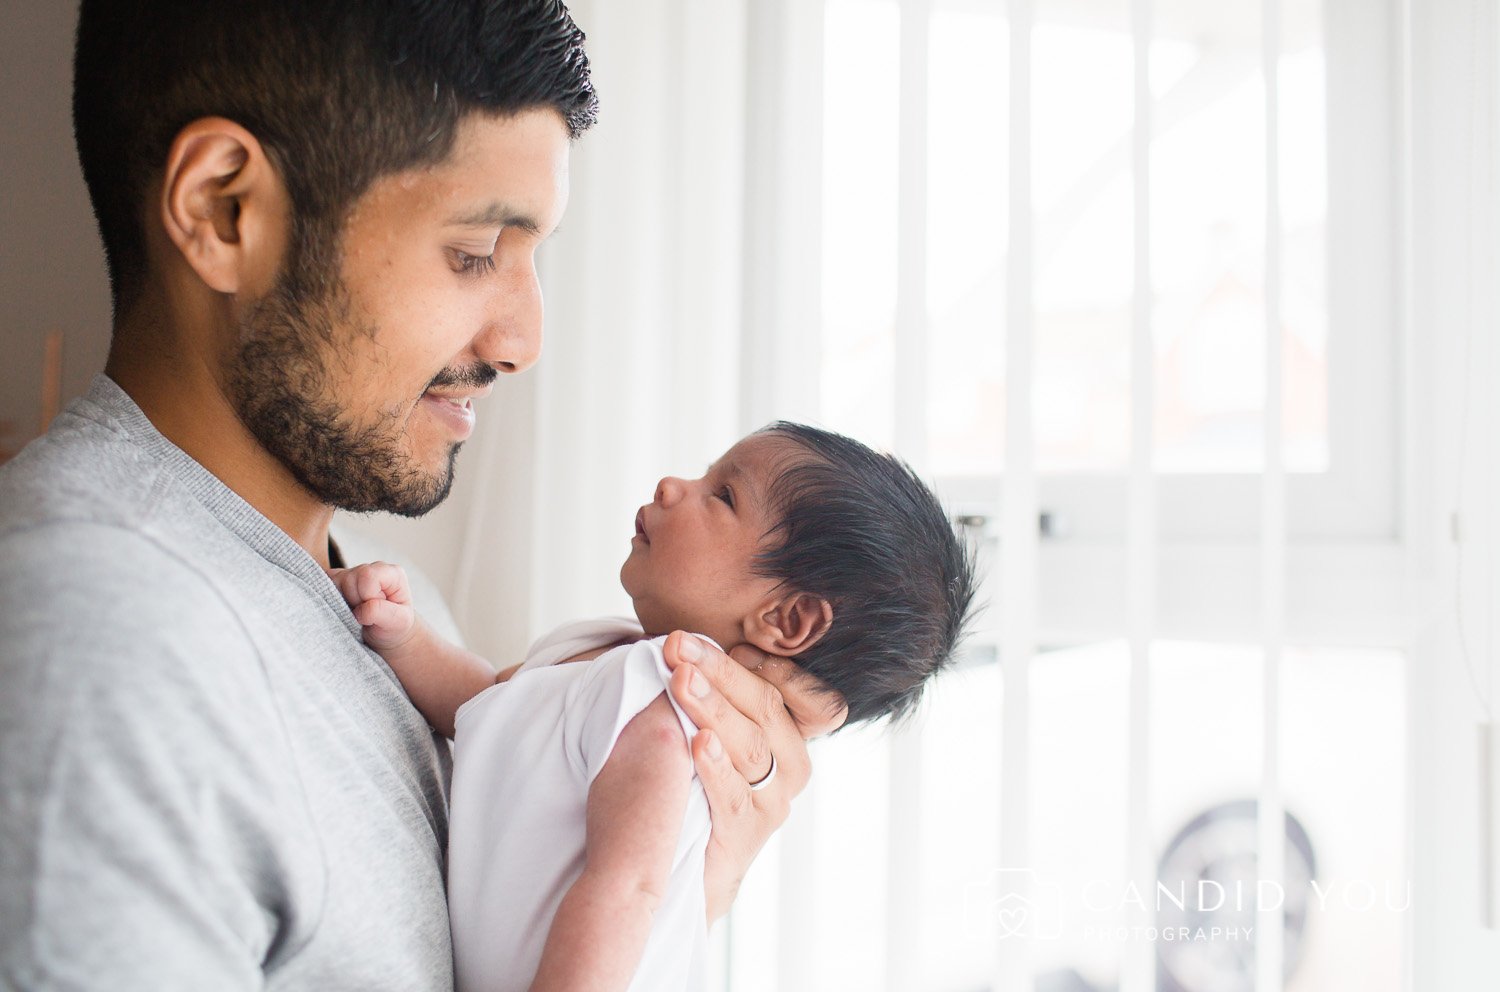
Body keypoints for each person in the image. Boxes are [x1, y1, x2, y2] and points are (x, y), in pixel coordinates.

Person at [0, 2, 846, 989]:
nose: (523, 339)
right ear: (227, 210)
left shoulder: (373, 595)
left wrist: (688, 880)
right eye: (476, 251)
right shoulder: (101, 637)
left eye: (536, 258)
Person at [328, 422, 979, 992]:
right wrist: (407, 635)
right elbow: (482, 707)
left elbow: (627, 890)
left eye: (722, 495)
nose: (673, 485)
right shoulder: (600, 649)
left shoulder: (666, 707)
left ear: (787, 619)